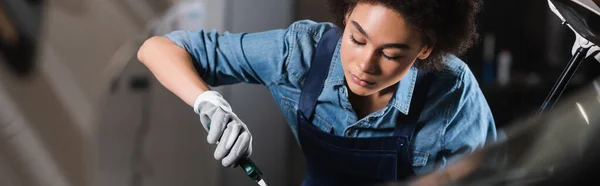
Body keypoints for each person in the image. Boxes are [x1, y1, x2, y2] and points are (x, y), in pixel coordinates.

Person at [137, 0, 497, 185]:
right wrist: (210, 102)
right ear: (346, 14)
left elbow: (492, 176)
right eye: (356, 38)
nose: (364, 64)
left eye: (390, 54)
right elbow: (158, 48)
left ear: (425, 49)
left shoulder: (453, 93)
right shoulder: (301, 54)